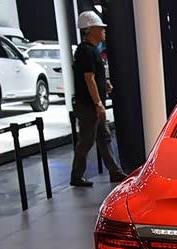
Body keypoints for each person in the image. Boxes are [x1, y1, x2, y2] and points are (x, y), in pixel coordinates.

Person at [70, 11, 126, 187]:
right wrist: (98, 103)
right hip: (89, 106)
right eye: (100, 28)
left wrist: (104, 85)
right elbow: (89, 78)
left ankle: (115, 172)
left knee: (104, 136)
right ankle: (76, 176)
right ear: (90, 30)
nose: (103, 31)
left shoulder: (91, 51)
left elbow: (94, 77)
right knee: (87, 140)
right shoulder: (86, 51)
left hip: (92, 105)